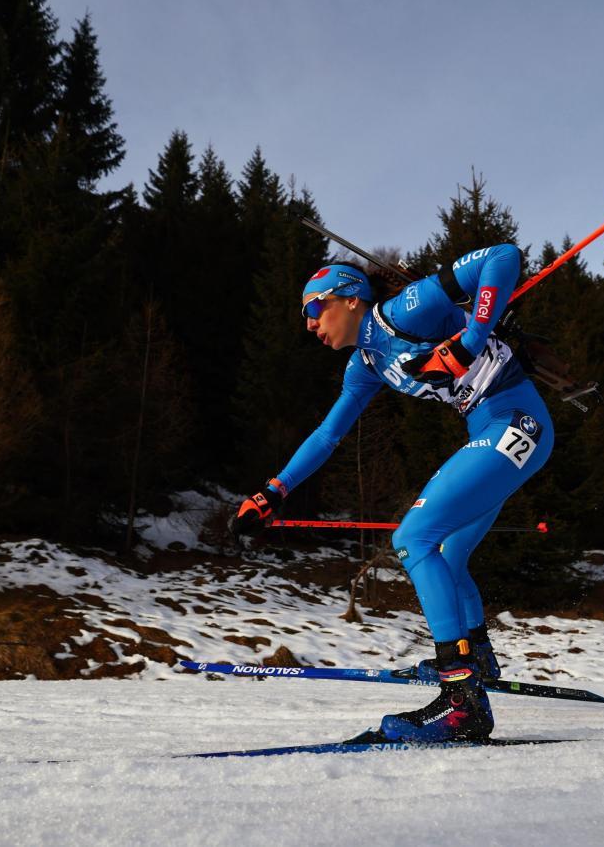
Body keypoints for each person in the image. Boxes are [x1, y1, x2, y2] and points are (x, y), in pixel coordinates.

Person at [230, 244, 553, 742]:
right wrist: (274, 491)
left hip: (516, 422)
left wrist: (470, 340)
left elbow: (503, 258)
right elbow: (327, 435)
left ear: (350, 298)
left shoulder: (405, 310)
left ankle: (462, 700)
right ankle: (476, 658)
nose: (310, 324)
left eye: (315, 308)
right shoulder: (365, 364)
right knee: (449, 554)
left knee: (413, 538)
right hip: (492, 428)